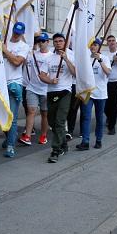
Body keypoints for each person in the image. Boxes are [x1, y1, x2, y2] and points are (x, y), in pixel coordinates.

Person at [43, 32, 75, 162]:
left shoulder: (71, 55)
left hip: (65, 91)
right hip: (51, 92)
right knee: (52, 122)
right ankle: (63, 143)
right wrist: (50, 81)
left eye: (61, 41)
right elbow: (42, 75)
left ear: (65, 42)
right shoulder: (49, 58)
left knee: (60, 121)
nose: (58, 43)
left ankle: (55, 150)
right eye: (56, 41)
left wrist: (66, 59)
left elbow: (75, 73)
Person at [1, 21, 31, 158]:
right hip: (1, 83)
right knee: (1, 116)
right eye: (15, 32)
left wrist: (5, 51)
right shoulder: (3, 41)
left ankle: (10, 146)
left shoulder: (24, 46)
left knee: (11, 118)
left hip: (14, 84)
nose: (16, 35)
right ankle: (9, 137)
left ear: (22, 33)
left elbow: (17, 62)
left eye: (19, 33)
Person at [78, 38, 110, 150]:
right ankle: (85, 141)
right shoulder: (86, 59)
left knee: (99, 118)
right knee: (86, 117)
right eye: (91, 45)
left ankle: (98, 139)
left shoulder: (105, 58)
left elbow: (108, 73)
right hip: (88, 92)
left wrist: (100, 61)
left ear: (99, 46)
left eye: (95, 45)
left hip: (100, 93)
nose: (93, 47)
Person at [21, 32, 50, 146]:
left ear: (48, 42)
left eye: (43, 41)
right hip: (32, 88)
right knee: (31, 111)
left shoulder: (51, 56)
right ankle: (27, 136)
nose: (41, 43)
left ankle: (43, 135)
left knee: (44, 113)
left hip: (46, 89)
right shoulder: (31, 54)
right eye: (39, 41)